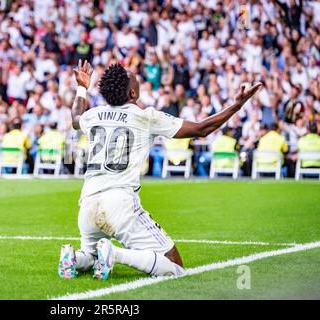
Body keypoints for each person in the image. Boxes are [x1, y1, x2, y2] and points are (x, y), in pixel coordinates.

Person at [58, 60, 261, 279]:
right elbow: (202, 129)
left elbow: (76, 118)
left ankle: (73, 258)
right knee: (174, 265)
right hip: (119, 203)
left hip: (87, 203)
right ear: (133, 92)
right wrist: (237, 106)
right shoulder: (146, 117)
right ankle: (115, 254)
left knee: (90, 253)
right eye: (136, 79)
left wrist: (81, 87)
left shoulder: (93, 114)